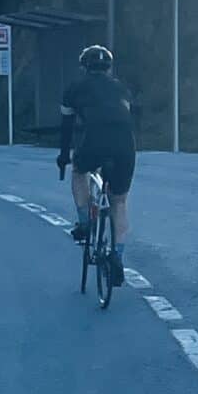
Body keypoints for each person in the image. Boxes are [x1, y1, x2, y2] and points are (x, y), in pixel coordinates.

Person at [56, 45, 135, 287]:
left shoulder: (74, 89)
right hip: (125, 144)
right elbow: (126, 118)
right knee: (119, 200)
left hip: (95, 140)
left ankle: (84, 222)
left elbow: (67, 127)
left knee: (79, 172)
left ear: (84, 66)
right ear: (108, 68)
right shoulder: (121, 88)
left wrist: (64, 156)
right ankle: (117, 257)